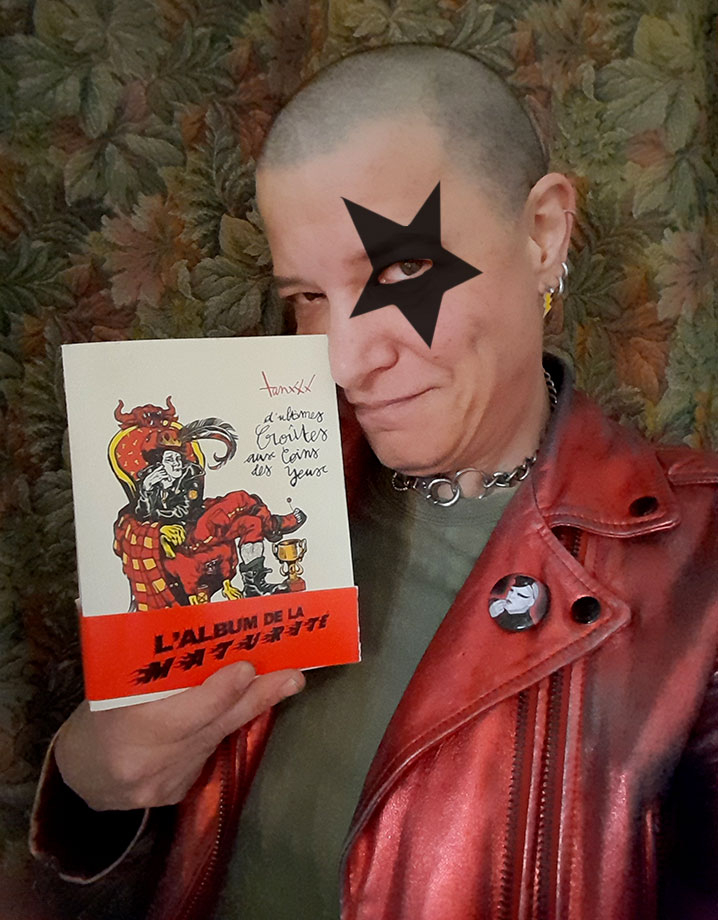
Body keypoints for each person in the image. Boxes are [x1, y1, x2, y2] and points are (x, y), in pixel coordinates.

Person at [29, 44, 718, 920]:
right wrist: (92, 778)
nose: (344, 362)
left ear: (543, 233)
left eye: (398, 270)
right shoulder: (257, 485)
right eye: (308, 298)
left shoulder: (698, 558)